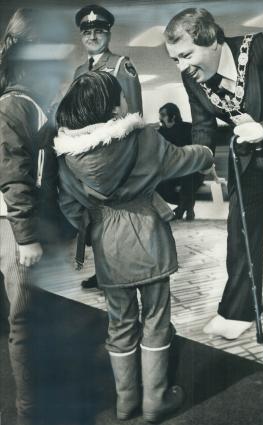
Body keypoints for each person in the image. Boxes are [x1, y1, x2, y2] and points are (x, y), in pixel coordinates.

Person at [164, 8, 263, 362]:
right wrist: (195, 159)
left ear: (211, 40)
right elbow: (204, 125)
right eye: (175, 58)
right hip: (248, 158)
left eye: (186, 55)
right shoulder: (194, 75)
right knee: (239, 233)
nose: (181, 66)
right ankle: (238, 312)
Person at [54, 71, 213, 422]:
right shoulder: (143, 139)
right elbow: (183, 159)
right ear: (113, 109)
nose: (128, 104)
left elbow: (69, 208)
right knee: (155, 318)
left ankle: (126, 403)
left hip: (109, 249)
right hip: (149, 240)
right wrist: (205, 152)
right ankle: (156, 401)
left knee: (120, 322)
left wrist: (96, 222)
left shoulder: (67, 158)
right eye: (122, 98)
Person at [0, 8, 71, 425]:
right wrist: (26, 236)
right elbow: (14, 176)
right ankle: (30, 415)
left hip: (27, 224)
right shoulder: (13, 105)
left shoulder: (31, 101)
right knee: (25, 319)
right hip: (14, 226)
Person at [74, 3, 143, 289]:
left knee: (118, 221)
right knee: (94, 220)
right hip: (86, 157)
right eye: (87, 32)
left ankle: (122, 272)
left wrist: (128, 162)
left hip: (114, 157)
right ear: (82, 36)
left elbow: (134, 116)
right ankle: (103, 270)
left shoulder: (120, 65)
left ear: (108, 34)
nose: (92, 36)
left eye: (98, 31)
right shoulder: (79, 70)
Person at [157, 102, 204, 220]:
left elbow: (197, 151)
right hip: (172, 172)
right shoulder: (161, 133)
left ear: (173, 116)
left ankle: (182, 209)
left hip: (192, 171)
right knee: (157, 184)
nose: (160, 118)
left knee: (188, 173)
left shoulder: (188, 129)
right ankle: (185, 206)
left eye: (163, 115)